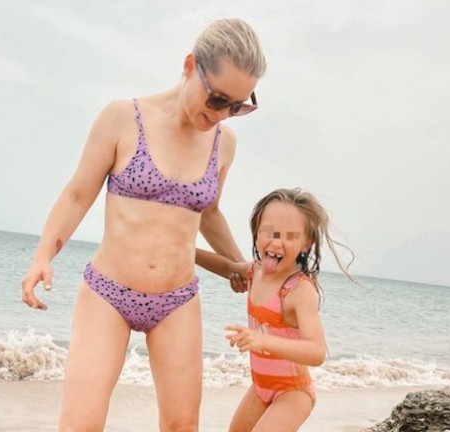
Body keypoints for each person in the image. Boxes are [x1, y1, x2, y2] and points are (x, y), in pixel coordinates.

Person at [20, 18, 266, 432]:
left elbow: (207, 212)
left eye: (238, 107)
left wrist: (240, 265)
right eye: (218, 99)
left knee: (181, 426)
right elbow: (78, 194)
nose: (222, 114)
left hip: (177, 301)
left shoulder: (224, 143)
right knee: (80, 424)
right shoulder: (122, 118)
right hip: (108, 294)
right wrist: (43, 255)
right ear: (190, 66)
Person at [195, 188, 355, 432]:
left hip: (293, 392)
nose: (276, 242)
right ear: (256, 233)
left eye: (290, 236)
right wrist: (184, 251)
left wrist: (263, 341)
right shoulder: (254, 273)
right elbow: (227, 266)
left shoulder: (299, 291)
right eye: (268, 232)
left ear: (306, 242)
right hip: (260, 387)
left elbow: (316, 351)